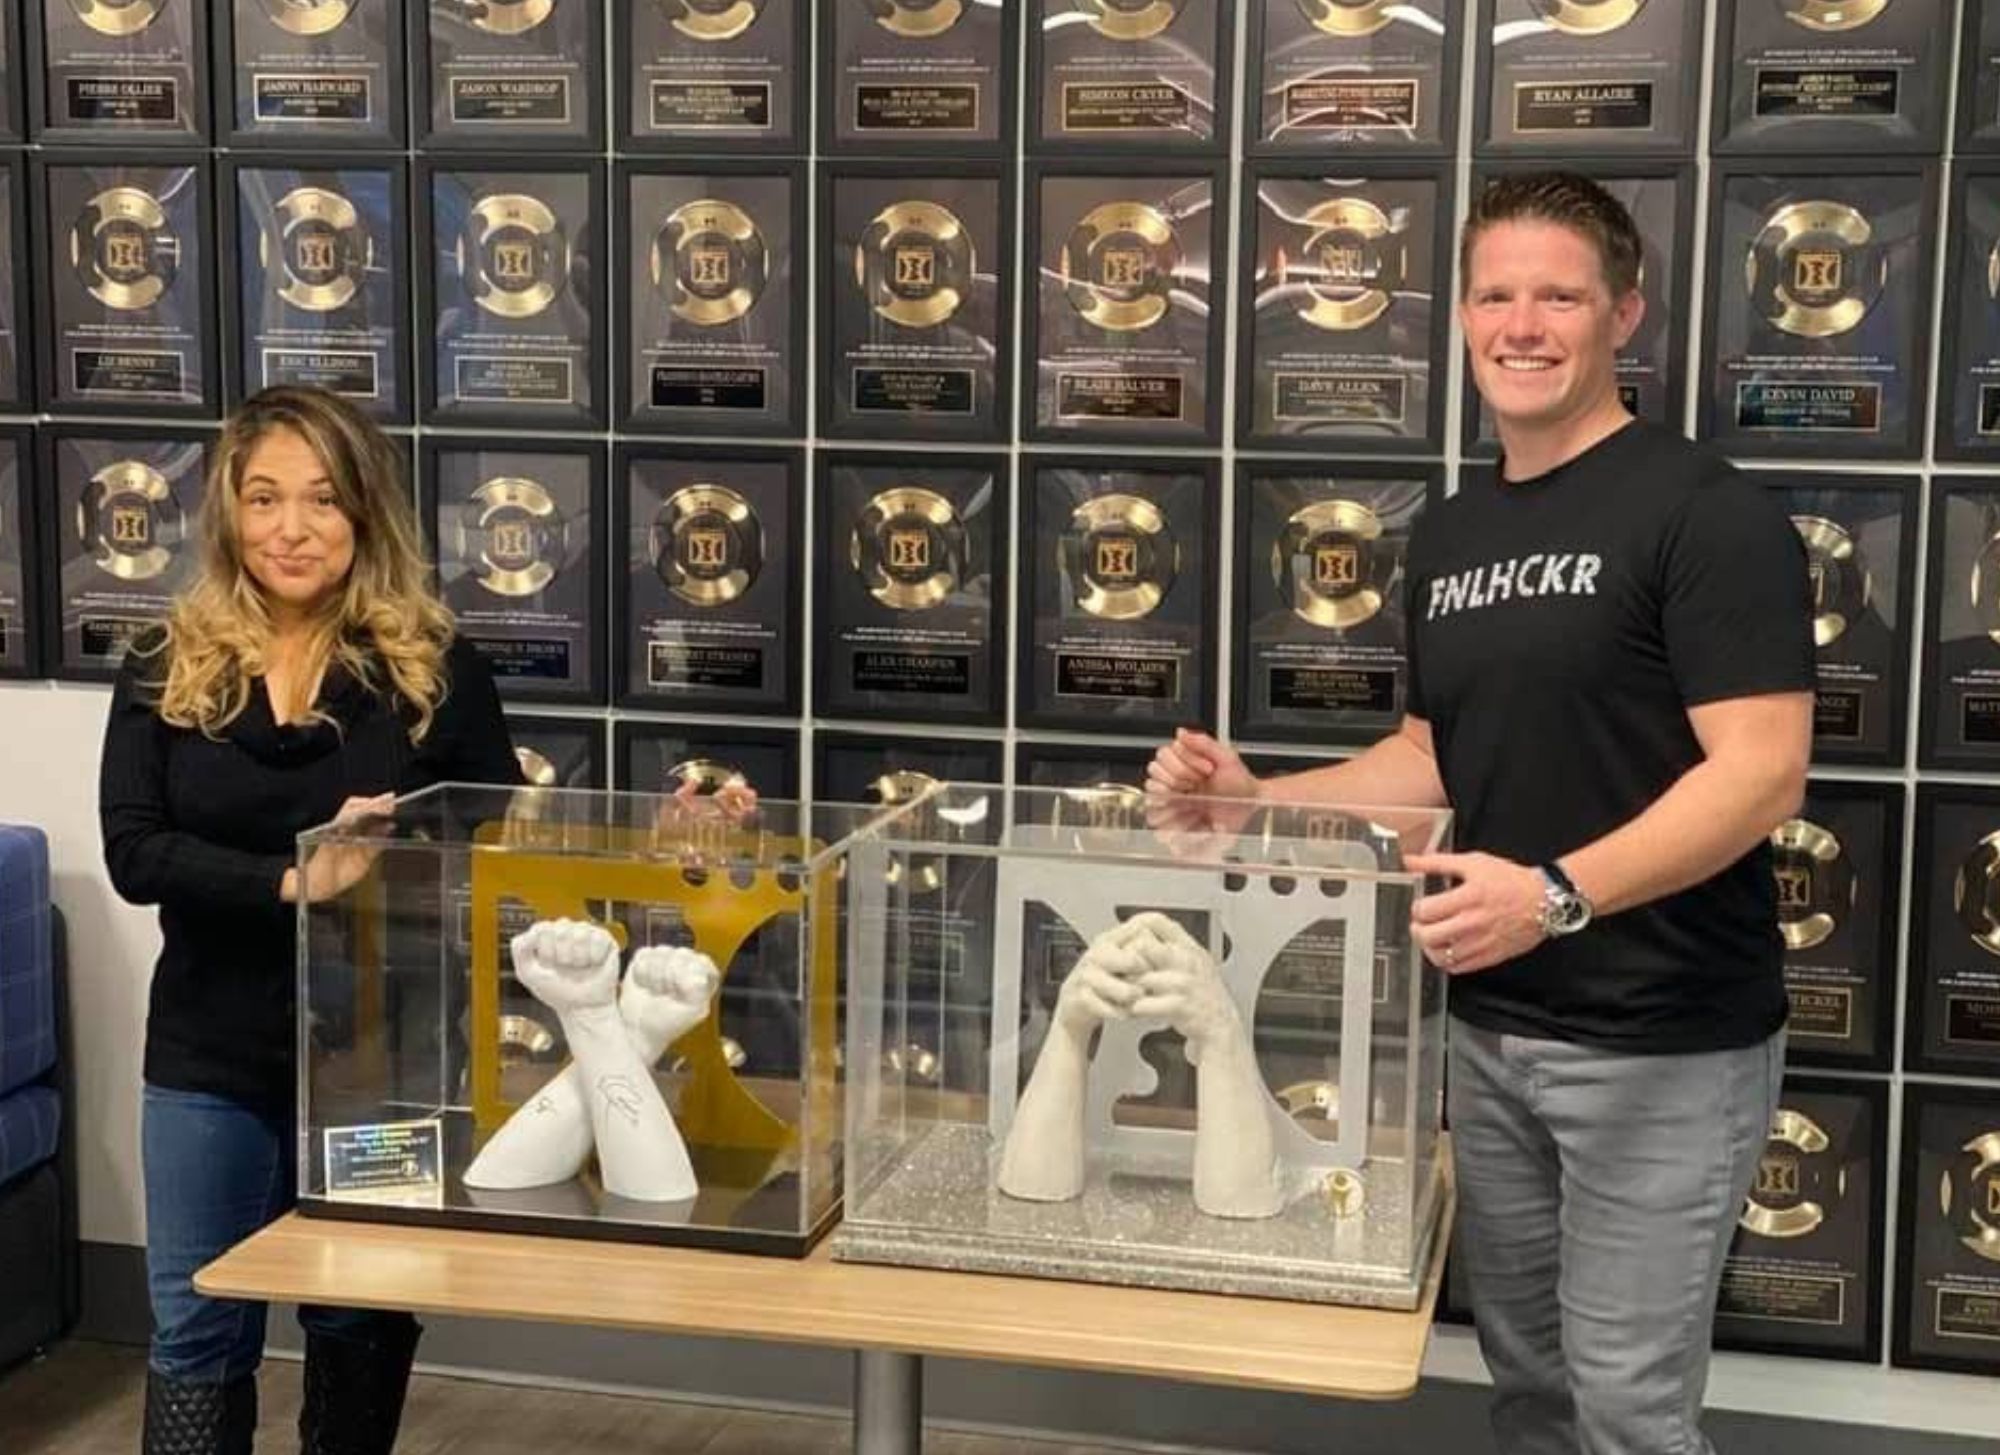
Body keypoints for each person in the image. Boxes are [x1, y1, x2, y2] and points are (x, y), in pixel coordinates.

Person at [1148, 173, 1814, 1455]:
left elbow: (1759, 772)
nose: (1522, 324)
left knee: (1626, 1406)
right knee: (1526, 1384)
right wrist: (1254, 800)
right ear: (1457, 317)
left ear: (1623, 312)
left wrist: (1548, 894)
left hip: (1661, 1045)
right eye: (1494, 295)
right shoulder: (1450, 536)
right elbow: (1430, 758)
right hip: (1494, 1035)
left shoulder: (1701, 512)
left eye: (1557, 295)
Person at [99, 386, 522, 1455]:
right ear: (228, 515)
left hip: (377, 1057)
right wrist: (295, 881)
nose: (291, 529)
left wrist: (393, 861)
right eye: (263, 498)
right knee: (199, 1329)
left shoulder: (433, 668)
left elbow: (489, 831)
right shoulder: (163, 663)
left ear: (365, 514)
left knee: (355, 1320)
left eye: (322, 501)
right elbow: (135, 853)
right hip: (208, 1058)